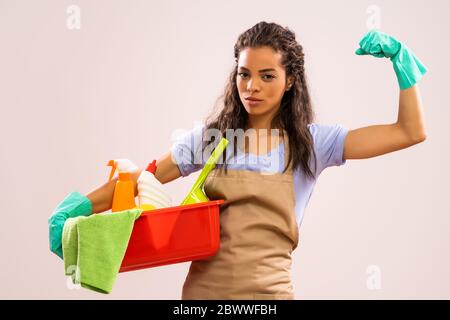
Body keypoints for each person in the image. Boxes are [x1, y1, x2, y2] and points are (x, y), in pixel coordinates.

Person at [49, 21, 427, 299]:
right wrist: (77, 208)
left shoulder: (312, 144)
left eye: (266, 76)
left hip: (270, 298)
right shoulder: (212, 140)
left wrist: (402, 67)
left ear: (290, 80)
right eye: (244, 75)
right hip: (202, 299)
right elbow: (137, 183)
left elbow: (408, 132)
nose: (252, 87)